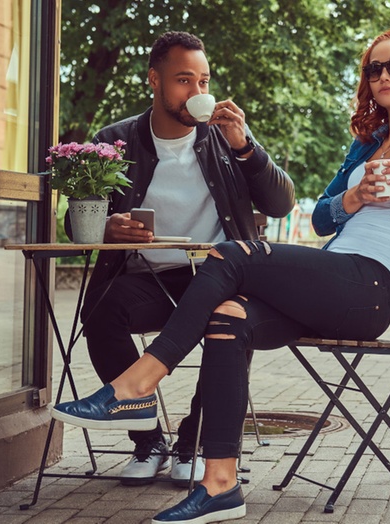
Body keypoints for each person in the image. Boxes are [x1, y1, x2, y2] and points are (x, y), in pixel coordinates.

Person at [53, 28, 390, 524]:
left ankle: (136, 384)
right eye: (373, 69)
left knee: (231, 254)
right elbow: (321, 220)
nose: (383, 76)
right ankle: (220, 487)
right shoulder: (365, 144)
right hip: (333, 280)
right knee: (228, 318)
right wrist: (353, 199)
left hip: (374, 290)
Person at [64, 31, 295, 486]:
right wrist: (107, 227)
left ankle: (194, 443)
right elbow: (77, 222)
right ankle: (147, 438)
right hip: (148, 276)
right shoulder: (114, 141)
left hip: (216, 277)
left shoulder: (226, 140)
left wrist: (246, 145)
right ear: (155, 80)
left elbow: (281, 202)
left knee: (232, 321)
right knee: (101, 312)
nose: (197, 93)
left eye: (204, 82)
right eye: (184, 80)